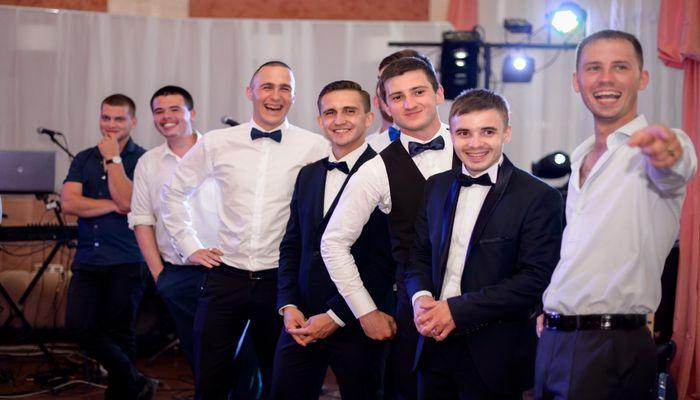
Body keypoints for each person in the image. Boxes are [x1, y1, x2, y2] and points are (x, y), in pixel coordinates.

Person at [535, 29, 697, 399]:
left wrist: (668, 152)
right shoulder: (579, 157)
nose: (606, 78)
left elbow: (677, 165)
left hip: (611, 345)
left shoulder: (656, 149)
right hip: (554, 340)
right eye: (594, 68)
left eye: (620, 67)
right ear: (576, 81)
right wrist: (555, 305)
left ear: (642, 78)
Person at [160, 61, 328, 399]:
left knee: (280, 377)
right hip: (225, 276)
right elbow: (173, 193)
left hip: (281, 281)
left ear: (294, 97)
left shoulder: (315, 146)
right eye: (267, 87)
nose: (275, 96)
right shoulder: (217, 142)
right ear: (250, 92)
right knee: (210, 378)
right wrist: (189, 245)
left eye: (284, 88)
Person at [406, 89, 563, 399]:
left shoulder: (540, 197)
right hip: (432, 344)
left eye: (487, 132)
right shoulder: (436, 186)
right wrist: (420, 299)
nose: (475, 143)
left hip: (494, 352)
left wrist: (455, 310)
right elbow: (418, 256)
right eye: (464, 133)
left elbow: (534, 279)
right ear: (452, 135)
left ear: (506, 132)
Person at [321, 56, 457, 400]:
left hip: (480, 312)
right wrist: (365, 311)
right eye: (397, 97)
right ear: (385, 106)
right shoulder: (374, 168)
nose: (409, 104)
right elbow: (333, 243)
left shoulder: (474, 146)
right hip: (416, 314)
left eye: (418, 92)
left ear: (439, 93)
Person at [271, 80, 395, 399]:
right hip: (302, 318)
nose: (339, 120)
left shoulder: (387, 174)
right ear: (320, 120)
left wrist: (334, 316)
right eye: (330, 113)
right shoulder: (308, 174)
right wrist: (288, 304)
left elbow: (386, 262)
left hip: (360, 321)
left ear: (369, 118)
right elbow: (293, 245)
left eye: (349, 111)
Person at [61, 94, 154, 399]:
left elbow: (128, 200)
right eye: (106, 118)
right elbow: (69, 203)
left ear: (133, 122)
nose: (111, 125)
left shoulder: (144, 160)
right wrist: (114, 205)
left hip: (126, 259)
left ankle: (122, 393)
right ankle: (136, 381)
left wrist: (114, 159)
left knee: (121, 331)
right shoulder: (84, 158)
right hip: (88, 257)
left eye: (118, 119)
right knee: (78, 326)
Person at [128, 85, 217, 370]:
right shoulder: (148, 163)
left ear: (192, 113)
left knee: (239, 353)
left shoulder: (218, 151)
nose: (166, 117)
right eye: (159, 111)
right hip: (177, 275)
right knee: (196, 354)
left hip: (224, 270)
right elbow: (142, 220)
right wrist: (159, 275)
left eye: (175, 109)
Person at [366, 50, 436, 153]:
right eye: (382, 80)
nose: (409, 104)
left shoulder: (456, 140)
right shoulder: (366, 149)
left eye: (418, 91)